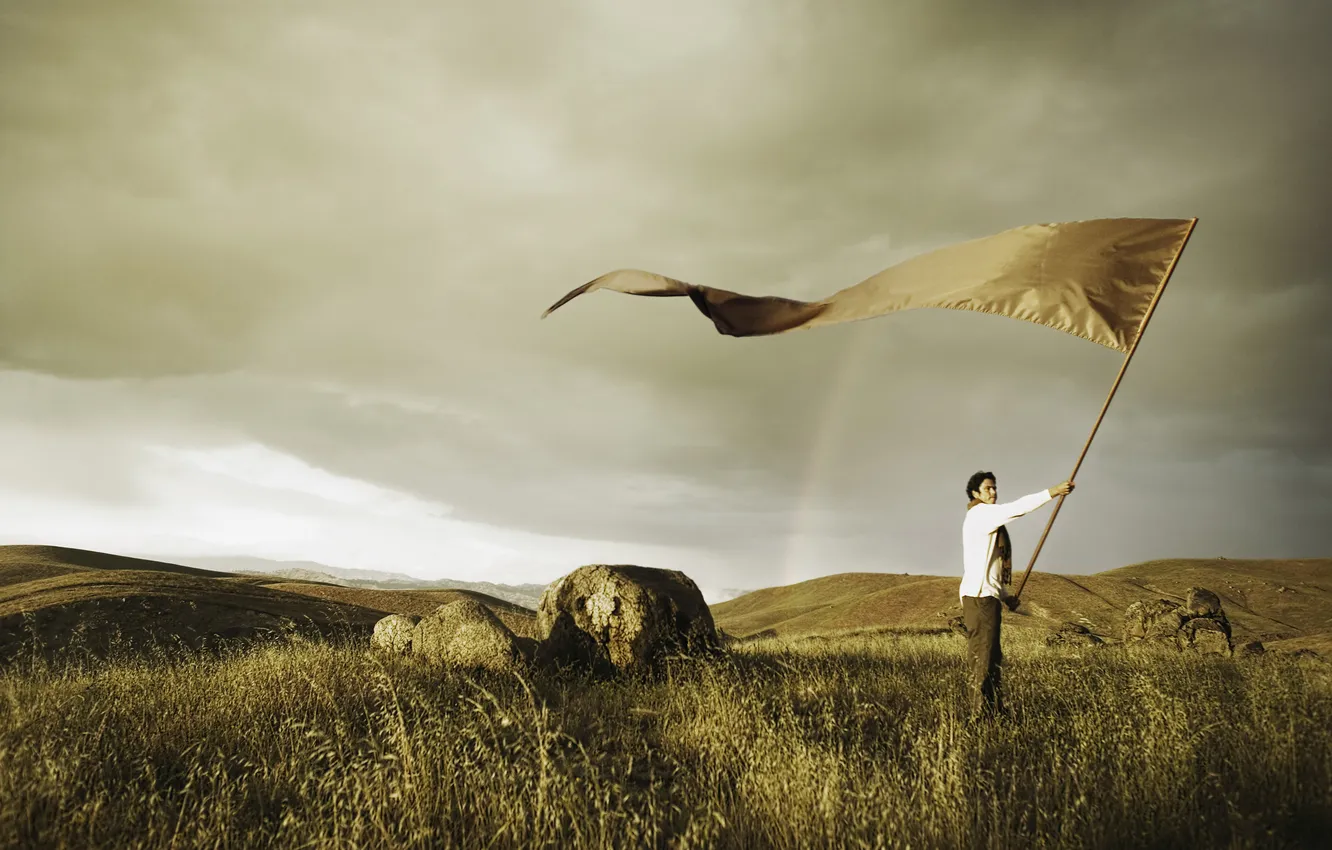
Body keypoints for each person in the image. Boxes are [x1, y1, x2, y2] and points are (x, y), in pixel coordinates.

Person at [960, 471, 1074, 718]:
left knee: (991, 656)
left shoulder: (986, 519)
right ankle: (979, 716)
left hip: (985, 597)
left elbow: (988, 570)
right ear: (975, 493)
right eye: (988, 488)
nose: (993, 492)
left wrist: (1005, 595)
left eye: (995, 487)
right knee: (983, 656)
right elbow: (1017, 508)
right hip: (980, 600)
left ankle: (993, 710)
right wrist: (1052, 492)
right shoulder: (981, 514)